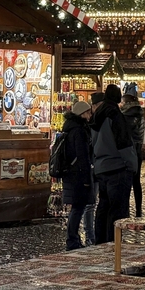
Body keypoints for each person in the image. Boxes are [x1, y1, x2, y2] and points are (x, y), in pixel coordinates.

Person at [91, 85, 138, 243]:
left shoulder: (97, 115)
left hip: (101, 168)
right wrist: (132, 165)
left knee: (103, 208)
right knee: (117, 212)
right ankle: (114, 246)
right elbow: (123, 143)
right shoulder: (115, 115)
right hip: (117, 168)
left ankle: (100, 243)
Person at [60, 101, 95, 250]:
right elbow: (82, 156)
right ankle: (72, 240)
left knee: (77, 207)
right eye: (87, 113)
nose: (89, 116)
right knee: (78, 207)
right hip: (78, 175)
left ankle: (73, 239)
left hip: (71, 173)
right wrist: (87, 178)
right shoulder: (79, 131)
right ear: (82, 114)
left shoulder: (70, 127)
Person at [122, 84, 145, 218]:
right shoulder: (141, 115)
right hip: (137, 150)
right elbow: (143, 133)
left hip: (126, 149)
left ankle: (125, 210)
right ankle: (138, 210)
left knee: (125, 181)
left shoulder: (124, 116)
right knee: (136, 182)